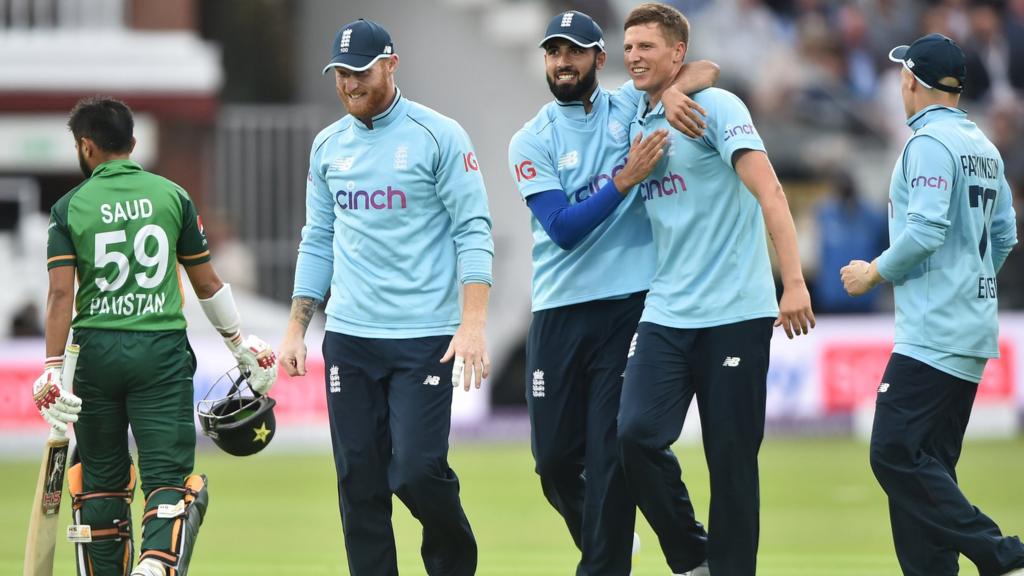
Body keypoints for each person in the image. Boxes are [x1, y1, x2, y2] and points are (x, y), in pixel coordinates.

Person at [277, 19, 493, 576]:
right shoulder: (327, 145)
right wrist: (297, 327)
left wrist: (472, 324)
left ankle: (454, 563)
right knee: (360, 480)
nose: (350, 84)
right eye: (341, 74)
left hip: (424, 337)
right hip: (350, 337)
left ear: (391, 65)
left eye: (361, 72)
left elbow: (473, 229)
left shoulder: (439, 135)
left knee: (418, 471)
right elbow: (317, 236)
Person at [508, 10, 719, 575]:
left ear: (599, 59)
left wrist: (673, 95)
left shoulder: (628, 104)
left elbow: (706, 67)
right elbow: (564, 230)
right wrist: (624, 178)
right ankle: (624, 545)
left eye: (574, 52)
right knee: (552, 462)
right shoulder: (532, 139)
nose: (562, 63)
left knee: (610, 456)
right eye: (553, 53)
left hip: (629, 306)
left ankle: (617, 562)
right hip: (557, 312)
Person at [34, 97, 278, 576]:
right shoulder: (173, 196)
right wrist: (238, 345)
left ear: (85, 147)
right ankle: (155, 563)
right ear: (133, 143)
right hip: (161, 351)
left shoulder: (69, 207)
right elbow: (207, 282)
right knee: (167, 476)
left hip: (95, 352)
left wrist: (51, 371)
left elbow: (61, 296)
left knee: (101, 481)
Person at [614, 4, 815, 575]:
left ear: (675, 53)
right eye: (628, 47)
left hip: (736, 313)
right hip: (666, 312)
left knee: (731, 461)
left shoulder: (718, 108)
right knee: (635, 435)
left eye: (646, 47)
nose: (633, 57)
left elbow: (771, 191)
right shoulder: (636, 113)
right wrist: (670, 93)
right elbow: (708, 65)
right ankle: (690, 556)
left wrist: (794, 282)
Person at [841, 33, 1024, 576]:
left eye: (903, 74)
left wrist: (873, 272)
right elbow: (1007, 235)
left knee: (893, 453)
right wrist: (971, 283)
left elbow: (923, 231)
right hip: (970, 329)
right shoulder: (984, 144)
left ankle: (1002, 553)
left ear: (913, 81)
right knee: (927, 471)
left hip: (932, 331)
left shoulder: (928, 143)